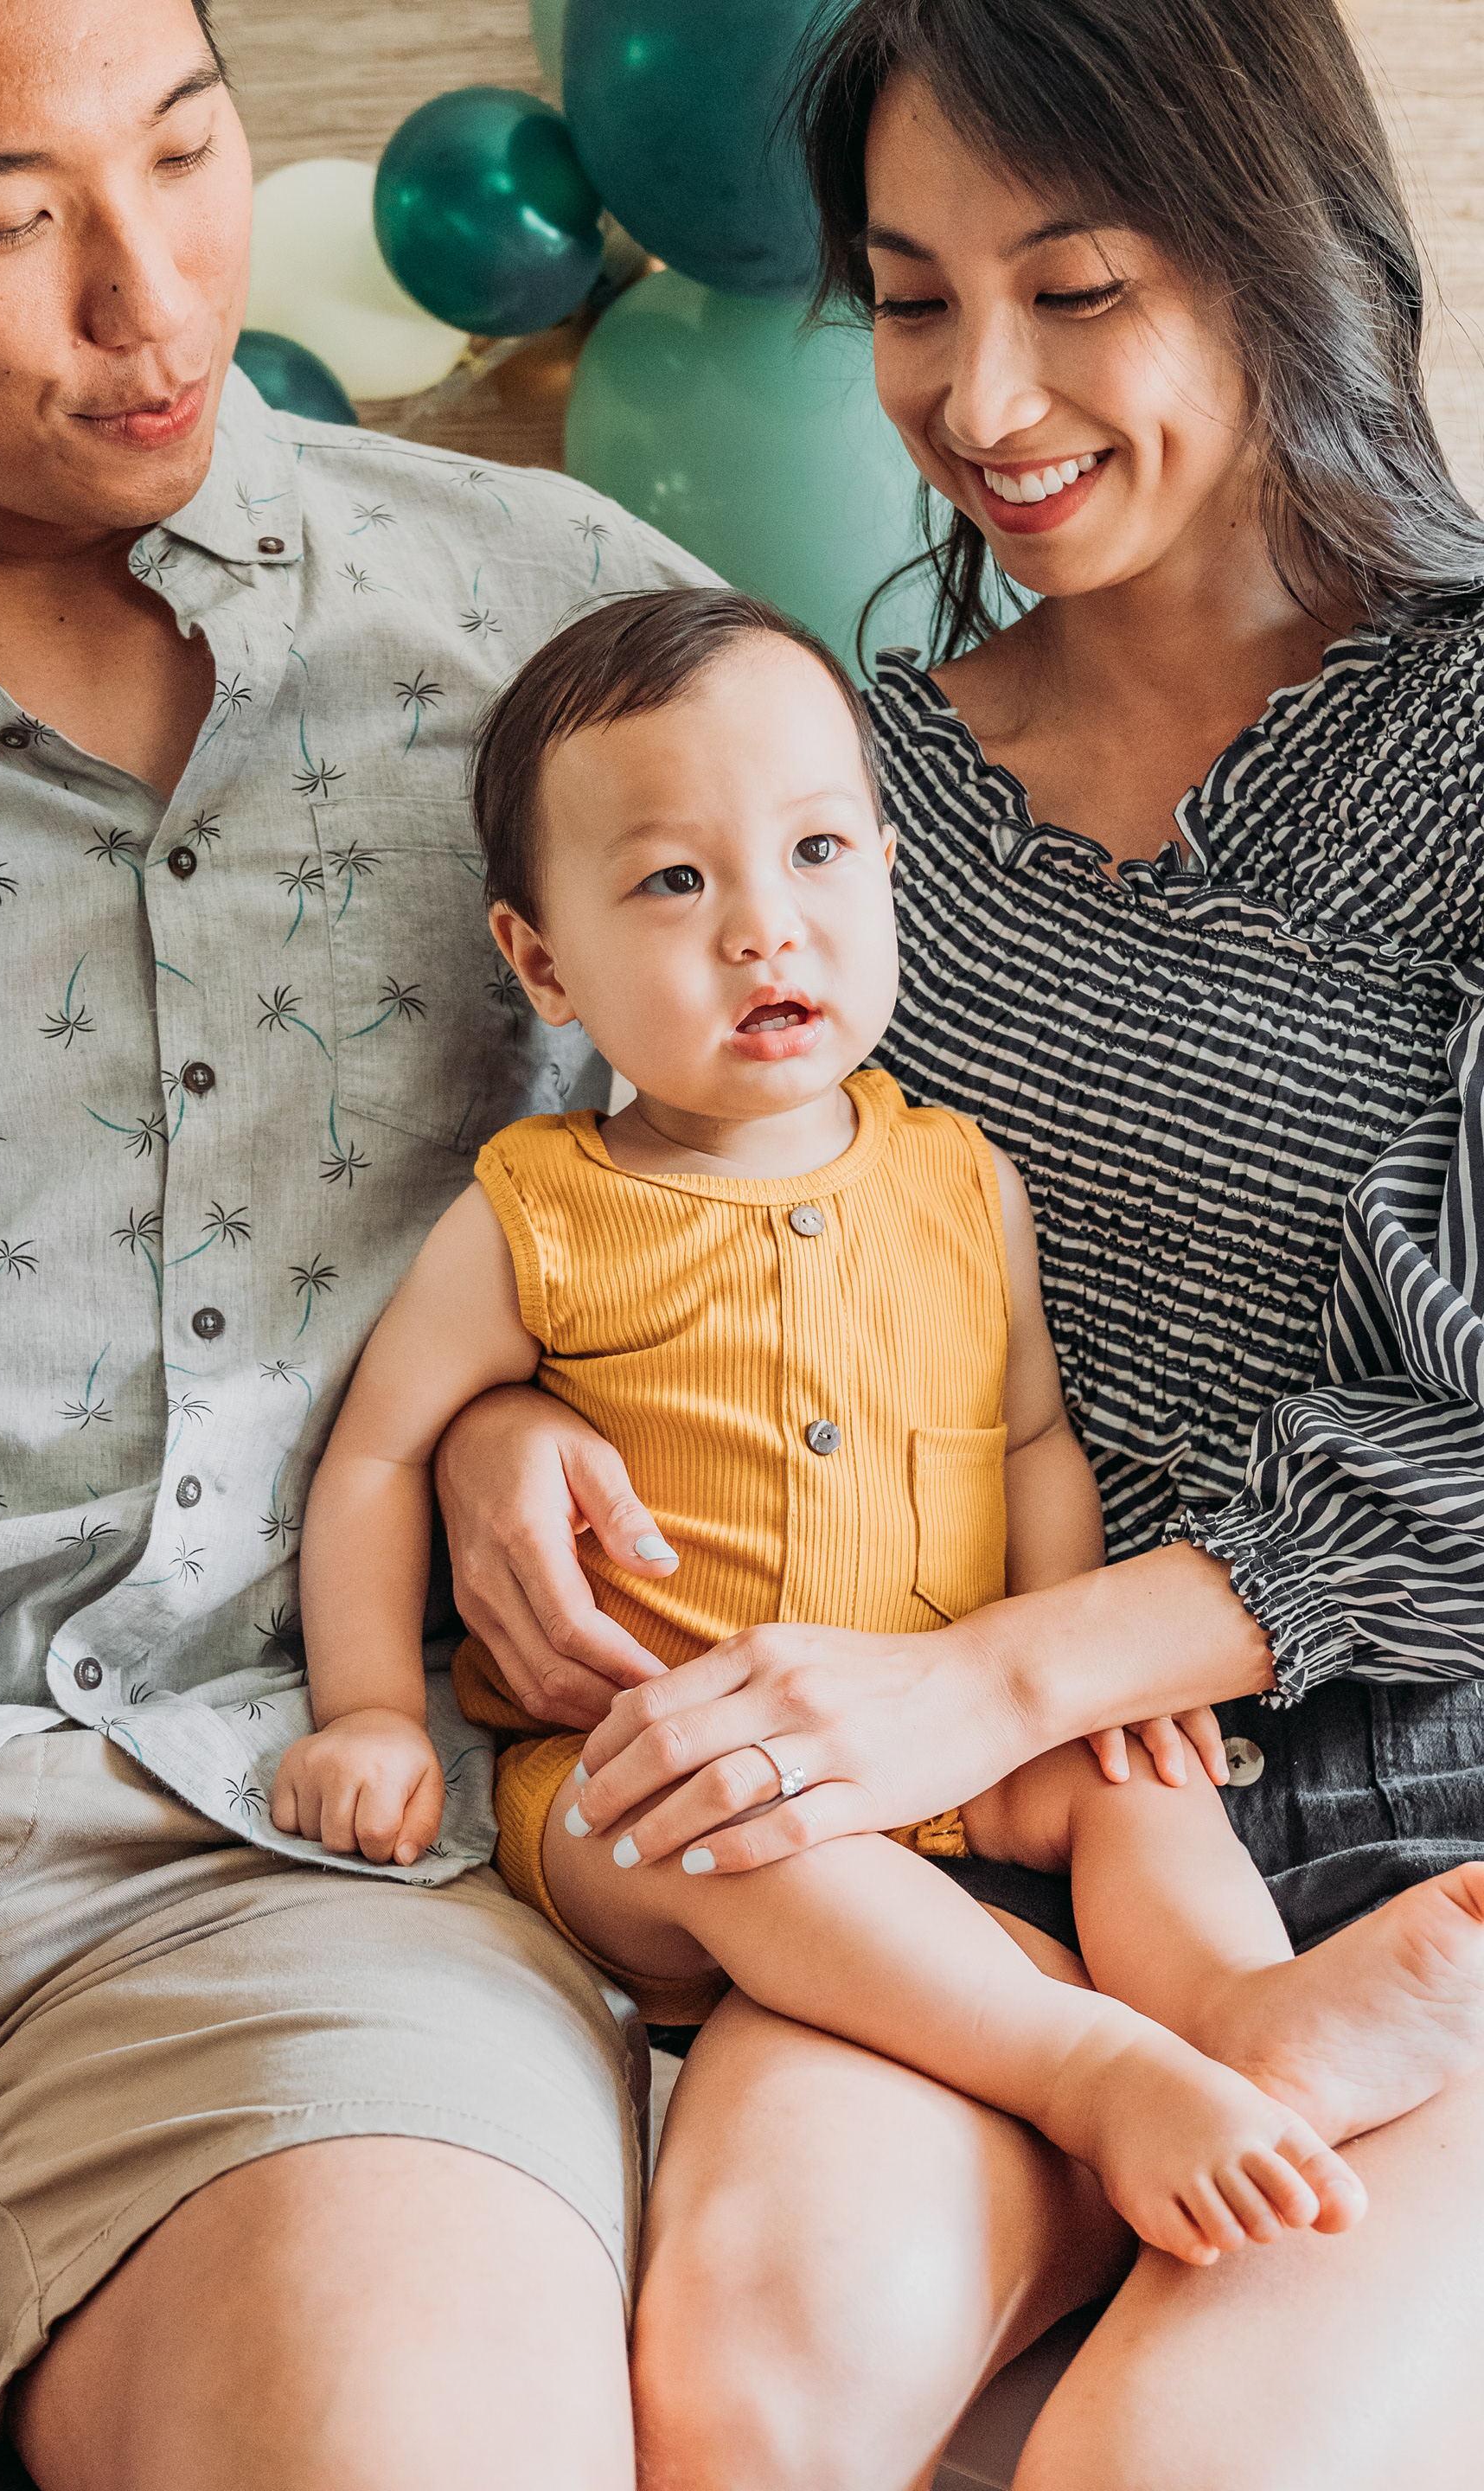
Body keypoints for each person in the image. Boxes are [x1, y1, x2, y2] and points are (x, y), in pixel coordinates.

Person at [432, 3, 1484, 2484]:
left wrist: (998, 1677)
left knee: (1174, 2462)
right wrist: (494, 1434)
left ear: (1281, 248)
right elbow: (640, 1205)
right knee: (749, 2397)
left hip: (1411, 1813)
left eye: (1077, 288)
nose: (981, 399)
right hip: (944, 1834)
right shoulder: (834, 793)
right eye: (912, 301)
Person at [0, 1, 715, 2484]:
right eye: (9, 219)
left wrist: (515, 1384)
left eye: (188, 152)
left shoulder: (569, 628)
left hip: (301, 1839)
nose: (149, 296)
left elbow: (824, 1169)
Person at [285, 576, 1484, 2265]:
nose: (763, 929)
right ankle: (1091, 2070)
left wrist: (1073, 1672)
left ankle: (1237, 2006)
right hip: (644, 1773)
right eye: (676, 881)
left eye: (818, 854)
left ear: (891, 873)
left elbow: (1031, 1445)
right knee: (749, 1836)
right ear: (542, 961)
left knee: (1138, 1783)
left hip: (947, 1734)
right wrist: (367, 1715)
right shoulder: (537, 1210)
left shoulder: (960, 1174)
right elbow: (379, 1455)